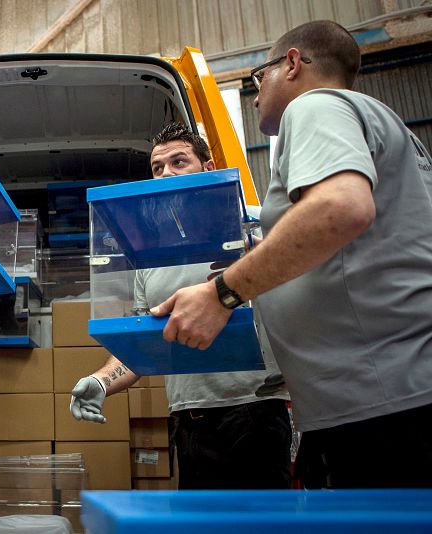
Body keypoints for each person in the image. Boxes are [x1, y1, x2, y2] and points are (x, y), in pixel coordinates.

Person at [152, 20, 432, 488]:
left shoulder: (315, 106)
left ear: (293, 64)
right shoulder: (388, 126)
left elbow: (340, 207)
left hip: (383, 406)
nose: (256, 93)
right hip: (388, 395)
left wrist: (222, 293)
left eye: (259, 77)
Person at [70, 123, 292, 489]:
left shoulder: (253, 224)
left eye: (178, 162)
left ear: (207, 168)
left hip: (252, 412)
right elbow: (144, 345)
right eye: (158, 168)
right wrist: (101, 381)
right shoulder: (149, 258)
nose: (166, 174)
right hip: (187, 421)